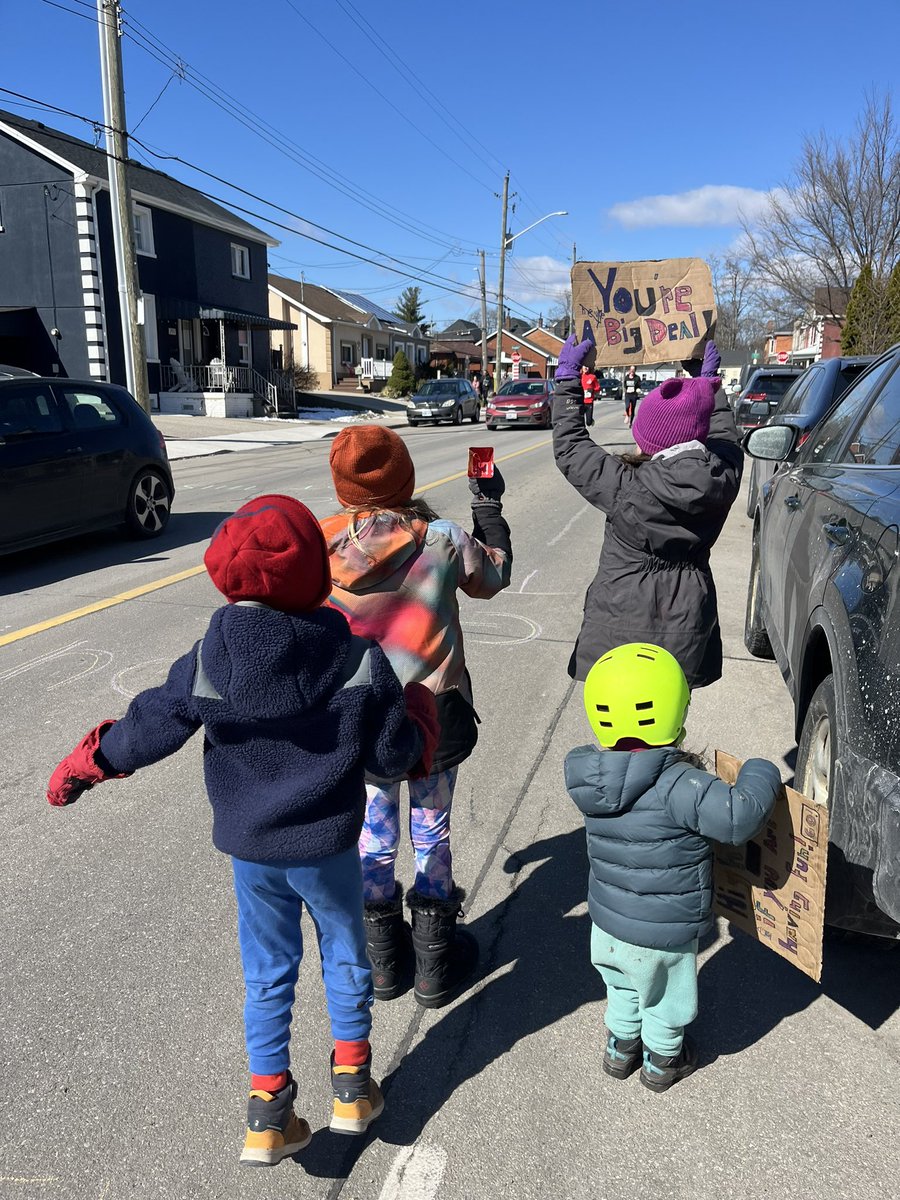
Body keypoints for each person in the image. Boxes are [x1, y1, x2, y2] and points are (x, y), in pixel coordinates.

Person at [46, 496, 438, 1167]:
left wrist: (90, 763)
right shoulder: (356, 659)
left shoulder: (209, 658)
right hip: (328, 844)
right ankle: (351, 1086)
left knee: (267, 973)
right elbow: (389, 757)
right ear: (315, 571)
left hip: (251, 850)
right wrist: (421, 720)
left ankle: (268, 1113)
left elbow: (150, 727)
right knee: (344, 953)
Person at [321, 426, 512, 1009]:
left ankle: (383, 966)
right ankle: (433, 966)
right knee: (432, 831)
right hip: (434, 712)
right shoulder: (443, 540)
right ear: (405, 480)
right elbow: (494, 576)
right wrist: (489, 505)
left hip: (359, 714)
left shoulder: (318, 545)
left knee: (372, 836)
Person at [566, 642, 780, 1091]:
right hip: (663, 931)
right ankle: (663, 1060)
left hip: (606, 922)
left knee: (621, 983)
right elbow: (739, 817)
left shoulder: (588, 777)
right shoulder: (679, 783)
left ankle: (620, 1047)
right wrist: (761, 770)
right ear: (674, 711)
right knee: (664, 995)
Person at [551, 336, 741, 690]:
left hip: (618, 631)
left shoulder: (628, 488)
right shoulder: (723, 477)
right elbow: (725, 439)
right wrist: (709, 387)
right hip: (687, 630)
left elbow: (570, 447)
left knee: (620, 730)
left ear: (648, 441)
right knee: (668, 723)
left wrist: (567, 380)